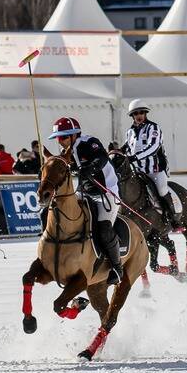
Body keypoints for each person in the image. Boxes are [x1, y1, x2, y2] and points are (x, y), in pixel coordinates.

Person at [49, 115, 124, 284]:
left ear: (74, 134)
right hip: (84, 192)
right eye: (58, 138)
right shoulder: (65, 153)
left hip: (107, 192)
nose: (60, 141)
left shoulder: (89, 142)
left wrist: (90, 168)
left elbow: (102, 158)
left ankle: (117, 268)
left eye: (63, 137)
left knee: (104, 228)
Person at [127, 100, 180, 230]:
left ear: (145, 114)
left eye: (141, 112)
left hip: (154, 170)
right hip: (138, 171)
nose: (139, 115)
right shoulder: (129, 132)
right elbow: (128, 147)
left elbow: (154, 147)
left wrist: (135, 157)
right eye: (136, 113)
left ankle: (172, 218)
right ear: (132, 116)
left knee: (162, 190)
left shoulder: (153, 128)